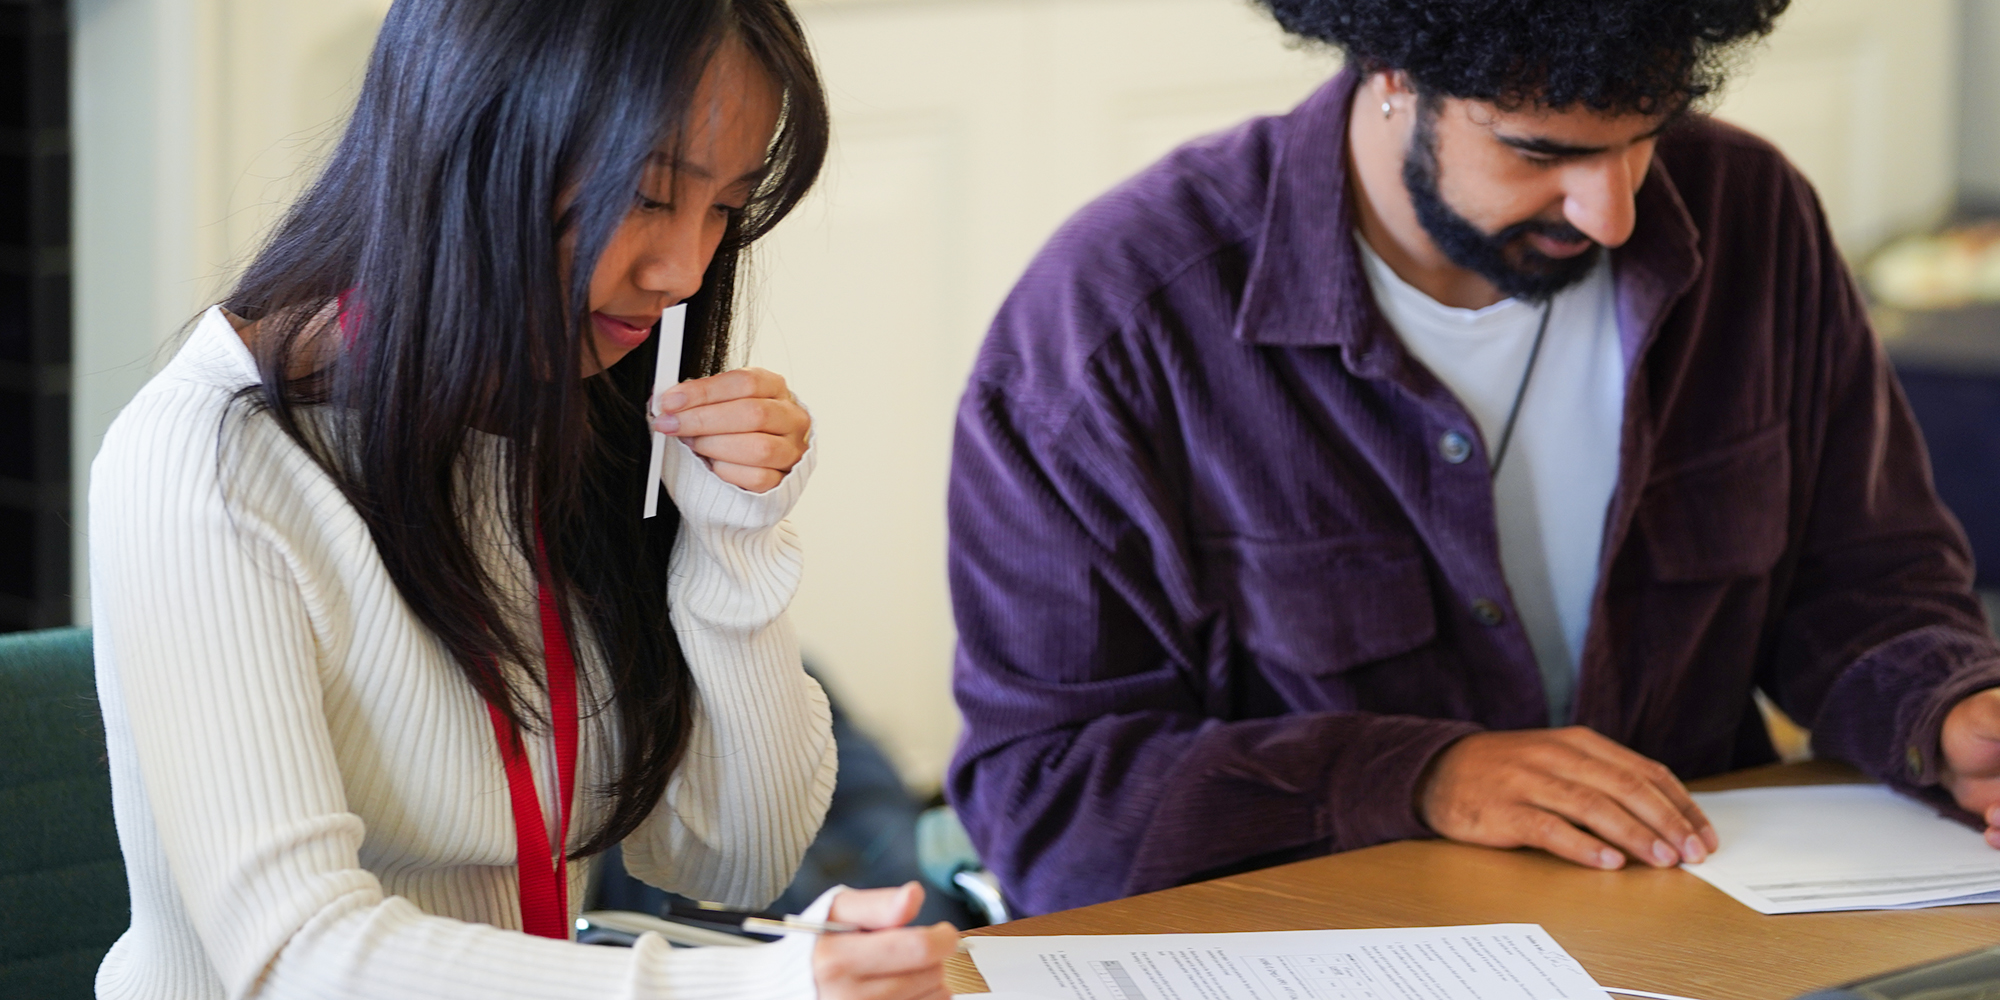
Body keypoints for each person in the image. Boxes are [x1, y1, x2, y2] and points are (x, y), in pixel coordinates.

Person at [945, 0, 2000, 916]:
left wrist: (1946, 707)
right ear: (1394, 71)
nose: (1612, 211)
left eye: (1646, 136)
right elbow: (1041, 798)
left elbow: (1864, 587)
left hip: (1710, 935)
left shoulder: (1751, 217)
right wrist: (1418, 777)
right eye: (1539, 152)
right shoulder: (1114, 322)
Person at [88, 1, 956, 997]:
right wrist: (735, 988)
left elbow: (732, 864)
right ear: (473, 145)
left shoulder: (572, 407)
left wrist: (734, 538)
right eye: (647, 195)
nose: (683, 271)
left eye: (724, 207)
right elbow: (293, 953)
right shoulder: (204, 459)